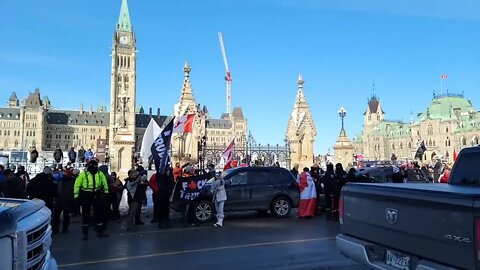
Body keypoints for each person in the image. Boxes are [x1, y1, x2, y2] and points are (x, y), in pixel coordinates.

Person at [74, 160, 109, 240]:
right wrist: (76, 196)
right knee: (85, 214)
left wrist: (106, 193)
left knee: (98, 213)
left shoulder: (100, 174)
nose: (94, 168)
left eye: (95, 166)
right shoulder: (84, 174)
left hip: (97, 193)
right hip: (86, 194)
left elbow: (104, 183)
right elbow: (77, 185)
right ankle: (85, 234)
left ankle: (100, 231)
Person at [52, 167, 75, 234]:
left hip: (59, 199)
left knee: (56, 215)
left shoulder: (60, 180)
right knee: (66, 215)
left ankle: (55, 229)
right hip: (67, 200)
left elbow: (58, 189)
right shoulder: (73, 181)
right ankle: (65, 229)